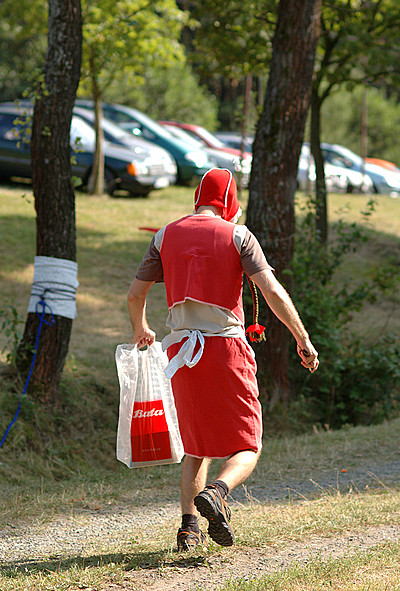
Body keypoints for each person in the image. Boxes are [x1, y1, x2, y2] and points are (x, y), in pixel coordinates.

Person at [127, 168, 319, 551]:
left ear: (198, 198)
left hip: (180, 353)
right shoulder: (238, 235)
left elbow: (135, 294)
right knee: (248, 444)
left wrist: (141, 328)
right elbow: (271, 291)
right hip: (225, 349)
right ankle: (217, 492)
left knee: (196, 445)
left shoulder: (164, 235)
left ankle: (188, 530)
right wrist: (302, 337)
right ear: (231, 202)